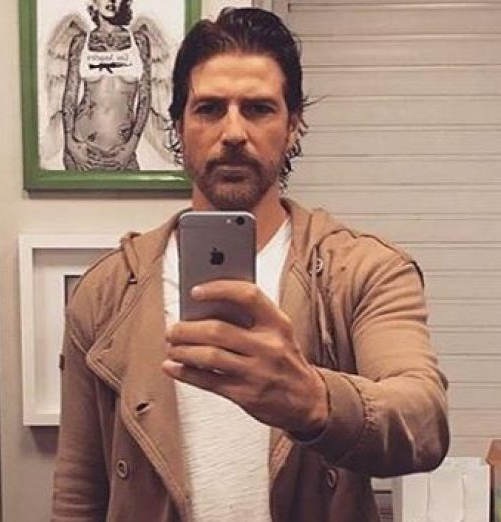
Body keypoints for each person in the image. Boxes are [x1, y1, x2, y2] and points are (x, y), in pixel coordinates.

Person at [52, 7, 449, 521]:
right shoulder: (106, 292)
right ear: (178, 125)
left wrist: (315, 401)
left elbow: (423, 420)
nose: (234, 131)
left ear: (293, 124)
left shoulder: (363, 270)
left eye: (259, 108)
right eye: (210, 108)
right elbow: (79, 491)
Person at [59, 0, 169, 171]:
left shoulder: (139, 42)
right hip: (82, 149)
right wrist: (70, 143)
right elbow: (70, 96)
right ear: (94, 3)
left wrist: (131, 145)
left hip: (122, 152)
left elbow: (145, 97)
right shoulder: (81, 43)